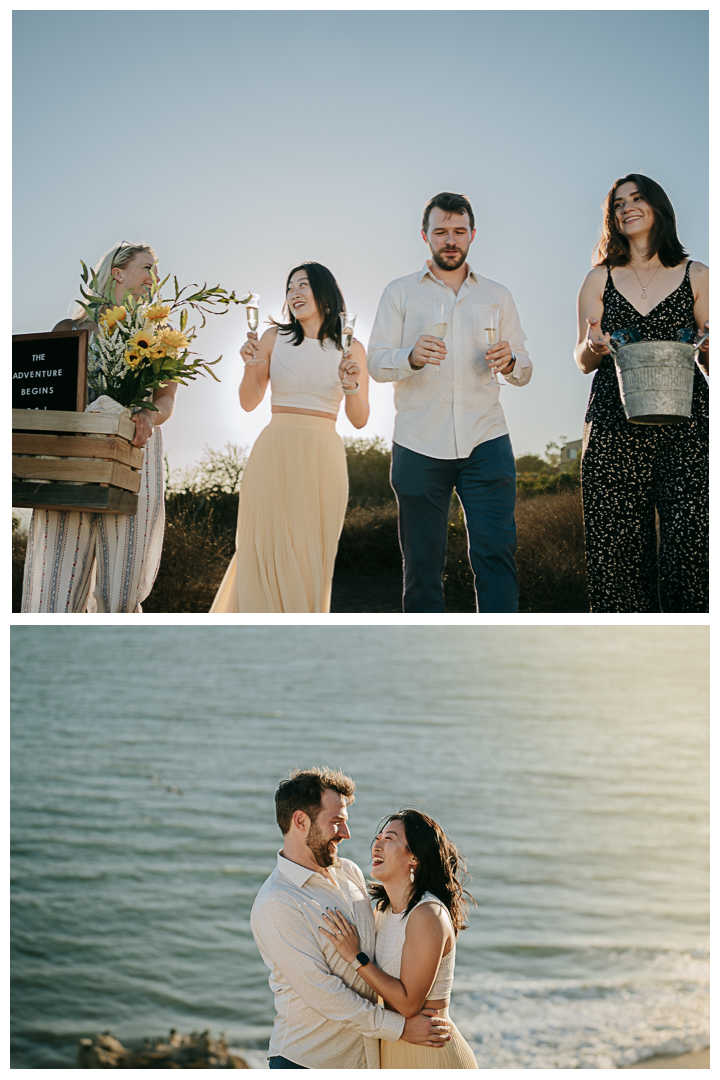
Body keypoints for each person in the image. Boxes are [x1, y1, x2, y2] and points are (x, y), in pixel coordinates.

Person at [367, 191, 532, 613]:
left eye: (459, 231)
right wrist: (410, 357)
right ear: (425, 235)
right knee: (421, 568)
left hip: (487, 441)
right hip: (419, 442)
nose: (450, 240)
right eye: (441, 231)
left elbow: (525, 369)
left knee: (496, 557)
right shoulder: (399, 293)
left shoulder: (498, 295)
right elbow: (376, 363)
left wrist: (511, 360)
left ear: (473, 235)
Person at [250, 767, 454, 1069]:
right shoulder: (277, 902)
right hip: (310, 1062)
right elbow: (323, 993)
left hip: (371, 1059)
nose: (346, 834)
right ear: (301, 821)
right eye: (336, 822)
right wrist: (398, 1027)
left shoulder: (349, 873)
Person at [575, 174, 709, 612]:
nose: (627, 207)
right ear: (611, 217)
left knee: (692, 550)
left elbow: (709, 358)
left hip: (687, 427)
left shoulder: (698, 275)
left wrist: (708, 349)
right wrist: (592, 345)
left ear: (657, 207)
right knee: (615, 556)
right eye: (618, 203)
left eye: (636, 198)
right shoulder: (599, 279)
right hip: (614, 423)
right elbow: (581, 358)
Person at [21, 242, 175, 612]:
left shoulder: (160, 334)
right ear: (118, 273)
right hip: (71, 464)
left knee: (119, 586)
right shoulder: (70, 329)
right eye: (147, 268)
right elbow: (46, 391)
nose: (154, 278)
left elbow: (167, 400)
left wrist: (149, 414)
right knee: (56, 586)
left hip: (134, 456)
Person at [210, 263, 369, 613]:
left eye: (303, 285)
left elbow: (359, 419)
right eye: (289, 287)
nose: (294, 293)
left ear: (325, 293)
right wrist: (251, 365)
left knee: (311, 558)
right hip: (275, 451)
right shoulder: (272, 338)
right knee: (262, 551)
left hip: (322, 458)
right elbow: (249, 402)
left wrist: (352, 386)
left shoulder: (351, 348)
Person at [320, 808, 479, 1069]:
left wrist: (355, 956)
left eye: (389, 839)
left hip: (431, 1055)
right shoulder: (381, 911)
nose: (377, 845)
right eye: (378, 838)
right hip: (393, 1049)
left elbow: (408, 1004)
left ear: (414, 857)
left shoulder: (428, 914)